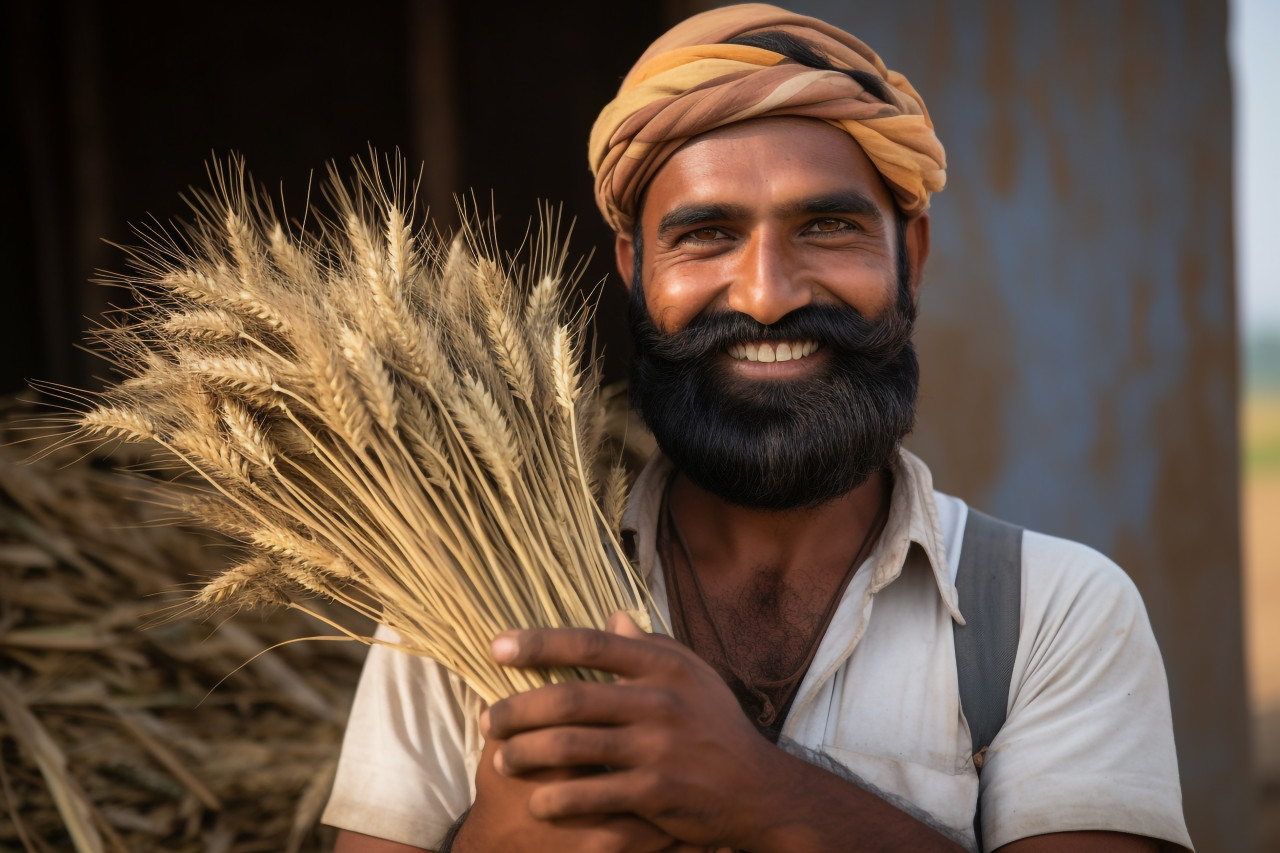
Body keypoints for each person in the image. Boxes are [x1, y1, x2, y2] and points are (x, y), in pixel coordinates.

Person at [323, 5, 1193, 852]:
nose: (768, 294)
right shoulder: (463, 595)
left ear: (911, 258)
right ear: (634, 270)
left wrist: (759, 795)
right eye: (706, 235)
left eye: (827, 225)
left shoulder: (1056, 612)